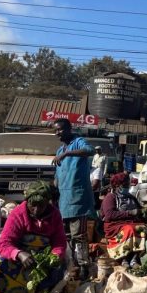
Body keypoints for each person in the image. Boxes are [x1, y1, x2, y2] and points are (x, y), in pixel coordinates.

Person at [0, 181, 66, 293]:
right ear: (27, 201)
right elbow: (4, 243)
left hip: (42, 259)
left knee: (59, 268)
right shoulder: (18, 214)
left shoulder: (54, 215)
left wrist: (55, 255)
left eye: (41, 206)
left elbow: (60, 242)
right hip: (20, 259)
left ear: (47, 203)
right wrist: (19, 254)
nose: (36, 210)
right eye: (33, 205)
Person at [53, 118, 95, 280]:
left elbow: (89, 150)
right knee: (66, 235)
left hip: (78, 197)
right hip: (64, 199)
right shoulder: (59, 151)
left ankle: (84, 266)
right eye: (55, 130)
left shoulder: (78, 142)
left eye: (60, 129)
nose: (58, 133)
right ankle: (73, 265)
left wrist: (67, 153)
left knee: (79, 235)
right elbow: (58, 175)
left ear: (69, 129)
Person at [100, 172, 146, 260]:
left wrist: (143, 212)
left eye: (127, 185)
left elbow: (140, 210)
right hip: (114, 226)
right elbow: (109, 215)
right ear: (117, 185)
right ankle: (124, 257)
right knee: (129, 229)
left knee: (143, 228)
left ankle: (135, 257)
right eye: (124, 185)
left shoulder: (131, 197)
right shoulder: (110, 197)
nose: (126, 187)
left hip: (131, 223)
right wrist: (130, 213)